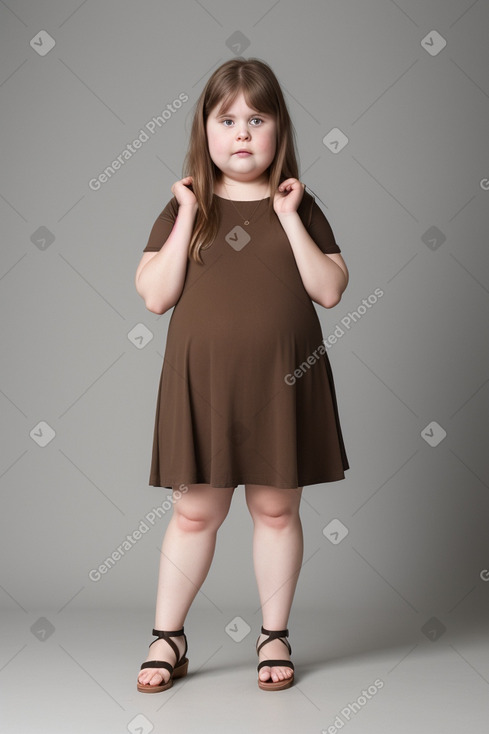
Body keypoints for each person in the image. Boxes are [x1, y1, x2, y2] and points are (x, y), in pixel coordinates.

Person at [134, 57, 350, 693]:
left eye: (257, 119)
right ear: (205, 131)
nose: (243, 133)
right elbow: (154, 295)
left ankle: (274, 633)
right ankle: (167, 636)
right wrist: (183, 210)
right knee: (195, 513)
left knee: (277, 510)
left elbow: (331, 289)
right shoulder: (186, 208)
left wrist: (288, 215)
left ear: (279, 129)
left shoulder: (300, 207)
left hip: (284, 380)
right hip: (205, 387)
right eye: (227, 120)